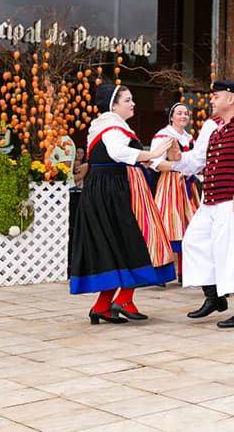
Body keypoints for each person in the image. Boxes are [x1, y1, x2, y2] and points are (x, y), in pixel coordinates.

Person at [160, 80, 234, 328]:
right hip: (211, 198)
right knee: (194, 242)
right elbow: (198, 160)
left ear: (230, 99)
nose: (211, 100)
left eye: (216, 96)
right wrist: (177, 159)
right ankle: (215, 296)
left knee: (233, 252)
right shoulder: (212, 126)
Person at [69, 84, 176, 324]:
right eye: (128, 100)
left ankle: (103, 305)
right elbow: (118, 153)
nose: (133, 104)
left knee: (119, 245)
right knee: (136, 240)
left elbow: (120, 157)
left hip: (110, 188)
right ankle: (123, 299)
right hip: (114, 191)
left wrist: (149, 161)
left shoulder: (109, 125)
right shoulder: (112, 126)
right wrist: (152, 153)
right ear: (113, 105)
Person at [150, 101, 201, 279]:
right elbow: (154, 162)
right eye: (179, 113)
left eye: (186, 113)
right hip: (170, 184)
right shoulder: (163, 135)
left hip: (188, 185)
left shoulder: (190, 138)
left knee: (189, 225)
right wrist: (178, 167)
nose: (183, 116)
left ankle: (183, 271)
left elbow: (196, 161)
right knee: (168, 223)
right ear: (171, 116)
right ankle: (161, 272)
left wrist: (190, 170)